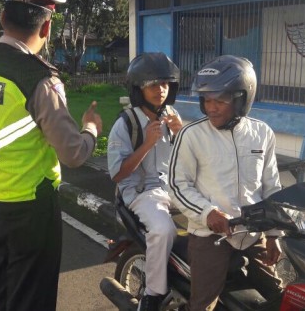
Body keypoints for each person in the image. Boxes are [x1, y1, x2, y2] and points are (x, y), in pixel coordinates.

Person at [0, 0, 102, 310]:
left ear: (3, 17)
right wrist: (91, 128)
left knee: (5, 284)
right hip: (32, 208)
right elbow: (73, 154)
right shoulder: (40, 80)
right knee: (32, 296)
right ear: (47, 26)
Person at [168, 55, 284, 311]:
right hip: (210, 236)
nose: (211, 108)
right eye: (207, 100)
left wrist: (275, 235)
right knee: (203, 306)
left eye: (220, 101)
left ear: (242, 99)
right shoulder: (192, 135)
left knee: (281, 299)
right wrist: (208, 213)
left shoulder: (262, 133)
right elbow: (177, 185)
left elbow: (271, 187)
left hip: (252, 235)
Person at [107, 52, 182, 311]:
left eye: (164, 84)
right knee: (163, 230)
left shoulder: (171, 114)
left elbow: (185, 158)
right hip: (140, 191)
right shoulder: (126, 123)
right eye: (153, 84)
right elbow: (117, 174)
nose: (160, 90)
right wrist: (147, 145)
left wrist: (181, 133)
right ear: (138, 88)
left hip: (171, 187)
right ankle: (152, 295)